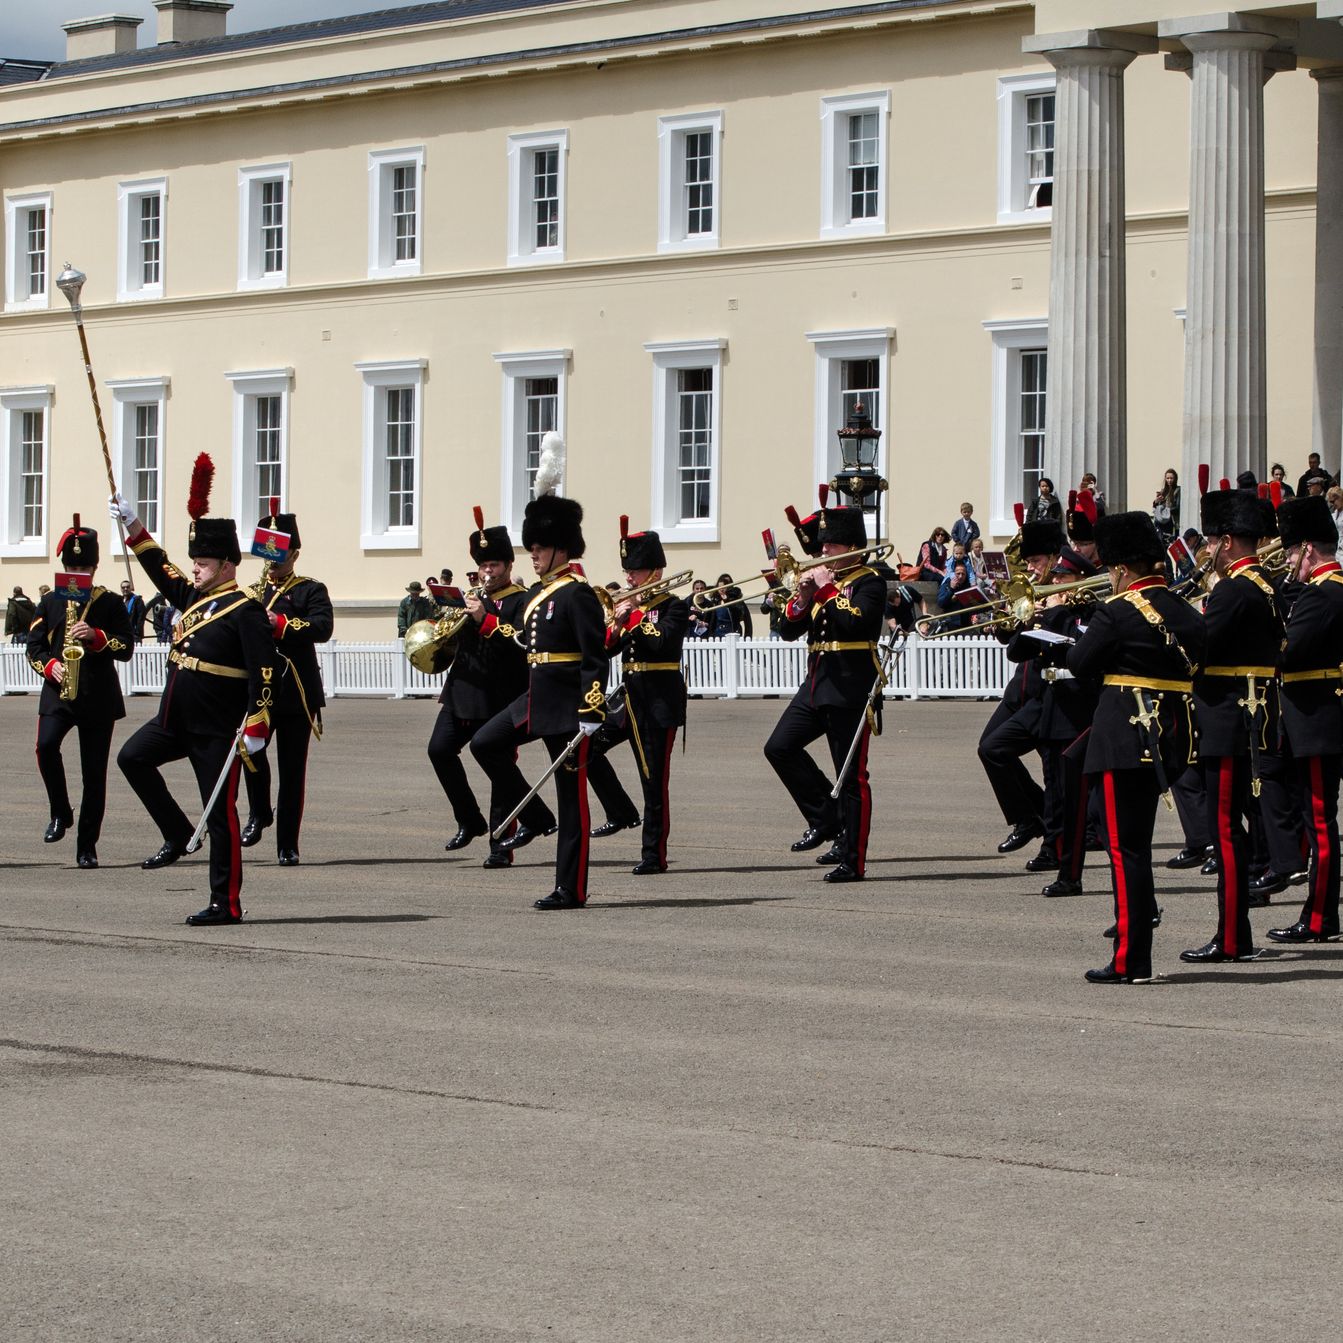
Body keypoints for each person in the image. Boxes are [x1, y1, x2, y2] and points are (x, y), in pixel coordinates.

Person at [111, 455, 276, 927]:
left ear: (226, 565)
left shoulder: (245, 609)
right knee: (132, 758)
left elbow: (265, 672)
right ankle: (178, 830)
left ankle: (226, 903)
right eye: (195, 564)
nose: (195, 571)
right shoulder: (196, 597)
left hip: (216, 728)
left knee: (222, 816)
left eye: (203, 564)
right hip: (174, 720)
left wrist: (258, 722)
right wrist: (135, 526)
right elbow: (162, 570)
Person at [470, 433, 609, 910]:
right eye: (531, 548)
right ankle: (532, 815)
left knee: (575, 801)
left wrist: (592, 706)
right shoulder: (539, 594)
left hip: (570, 703)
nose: (532, 554)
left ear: (560, 549)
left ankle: (570, 887)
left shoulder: (577, 594)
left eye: (539, 548)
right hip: (535, 695)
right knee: (485, 743)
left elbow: (596, 655)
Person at [1066, 512, 1206, 984]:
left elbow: (1080, 663)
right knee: (1137, 848)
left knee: (1126, 851)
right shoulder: (1182, 608)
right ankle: (1135, 950)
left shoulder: (1118, 610)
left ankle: (1131, 958)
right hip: (1169, 736)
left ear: (1122, 569)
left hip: (1123, 737)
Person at [1180, 488, 1283, 965]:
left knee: (1225, 832)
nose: (1206, 554)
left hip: (1225, 721)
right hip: (1252, 718)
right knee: (1235, 830)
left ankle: (1233, 937)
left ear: (1225, 542)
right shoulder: (1264, 586)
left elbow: (1196, 649)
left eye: (1210, 544)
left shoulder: (1234, 589)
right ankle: (1234, 932)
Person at [764, 501, 887, 883]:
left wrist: (825, 590)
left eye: (829, 546)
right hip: (816, 684)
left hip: (851, 686)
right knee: (779, 747)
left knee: (851, 776)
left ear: (850, 546)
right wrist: (802, 597)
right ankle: (827, 819)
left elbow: (858, 624)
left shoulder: (870, 580)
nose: (822, 553)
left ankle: (854, 858)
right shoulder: (823, 583)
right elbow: (787, 631)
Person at [429, 506, 555, 868]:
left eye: (494, 565)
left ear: (508, 566)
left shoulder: (523, 599)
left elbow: (519, 641)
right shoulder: (472, 597)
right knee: (439, 750)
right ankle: (469, 819)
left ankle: (501, 846)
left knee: (499, 770)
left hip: (501, 695)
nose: (488, 572)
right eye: (483, 566)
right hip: (462, 691)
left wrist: (485, 618)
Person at [25, 517, 134, 869]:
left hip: (97, 695)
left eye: (83, 567)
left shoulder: (111, 602)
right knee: (45, 747)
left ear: (95, 566)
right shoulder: (50, 602)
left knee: (94, 775)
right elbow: (34, 646)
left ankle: (87, 846)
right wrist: (48, 666)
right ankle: (60, 812)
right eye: (72, 567)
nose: (77, 572)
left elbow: (126, 646)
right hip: (58, 692)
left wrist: (97, 636)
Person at [589, 519, 689, 875]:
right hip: (628, 701)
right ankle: (619, 812)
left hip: (659, 702)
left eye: (636, 571)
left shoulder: (675, 605)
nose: (629, 578)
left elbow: (661, 642)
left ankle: (653, 855)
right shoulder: (630, 607)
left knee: (653, 781)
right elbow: (607, 650)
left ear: (656, 570)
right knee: (586, 749)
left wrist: (631, 616)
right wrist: (614, 624)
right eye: (627, 571)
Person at [1266, 495, 1343, 943]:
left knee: (1320, 823)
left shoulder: (1320, 595)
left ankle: (1320, 918)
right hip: (1321, 717)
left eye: (1292, 552)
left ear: (1309, 550)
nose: (1290, 560)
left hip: (1315, 720)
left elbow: (1287, 653)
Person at [240, 502, 334, 865]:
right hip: (260, 691)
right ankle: (259, 811)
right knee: (250, 752)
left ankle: (287, 844)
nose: (274, 563)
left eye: (281, 555)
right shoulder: (252, 591)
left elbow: (322, 628)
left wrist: (279, 623)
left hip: (296, 691)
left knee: (292, 771)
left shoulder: (310, 590)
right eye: (270, 556)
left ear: (294, 554)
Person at [978, 518, 1061, 854]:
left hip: (1047, 690)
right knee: (989, 749)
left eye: (1036, 561)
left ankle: (1055, 835)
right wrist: (1004, 618)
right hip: (1020, 688)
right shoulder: (1027, 586)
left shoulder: (1064, 587)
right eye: (1028, 562)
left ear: (1054, 558)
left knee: (1052, 771)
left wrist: (1046, 614)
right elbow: (1009, 640)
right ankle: (1030, 816)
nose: (1030, 567)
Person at [1152, 469, 1181, 542]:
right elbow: (1156, 507)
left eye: (1171, 478)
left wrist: (1167, 511)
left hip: (1172, 522)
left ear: (1175, 479)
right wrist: (1156, 501)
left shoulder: (1178, 490)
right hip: (1161, 522)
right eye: (1167, 478)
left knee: (1170, 542)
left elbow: (1178, 507)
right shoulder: (1163, 491)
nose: (1169, 480)